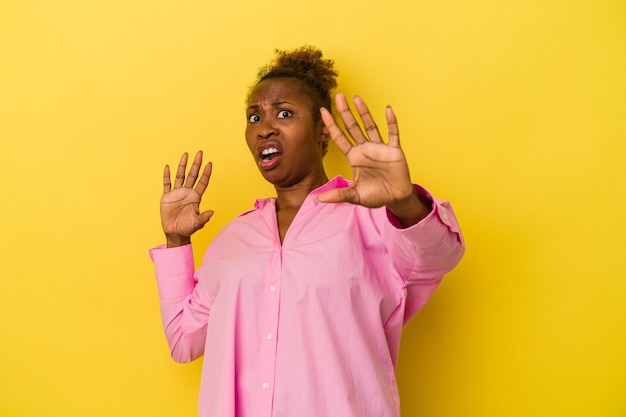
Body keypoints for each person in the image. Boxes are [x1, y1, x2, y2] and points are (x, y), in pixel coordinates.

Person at [149, 46, 465, 417]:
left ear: (321, 130)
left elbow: (441, 254)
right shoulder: (233, 239)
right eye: (254, 117)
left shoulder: (373, 218)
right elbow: (184, 339)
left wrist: (403, 201)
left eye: (284, 113)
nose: (264, 127)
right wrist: (177, 240)